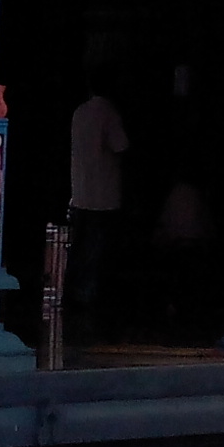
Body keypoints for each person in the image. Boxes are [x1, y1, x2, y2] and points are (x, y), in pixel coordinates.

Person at [66, 85, 128, 330]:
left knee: (78, 247)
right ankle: (86, 296)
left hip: (80, 191)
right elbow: (120, 145)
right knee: (95, 249)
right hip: (103, 196)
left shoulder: (79, 112)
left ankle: (72, 291)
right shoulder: (109, 113)